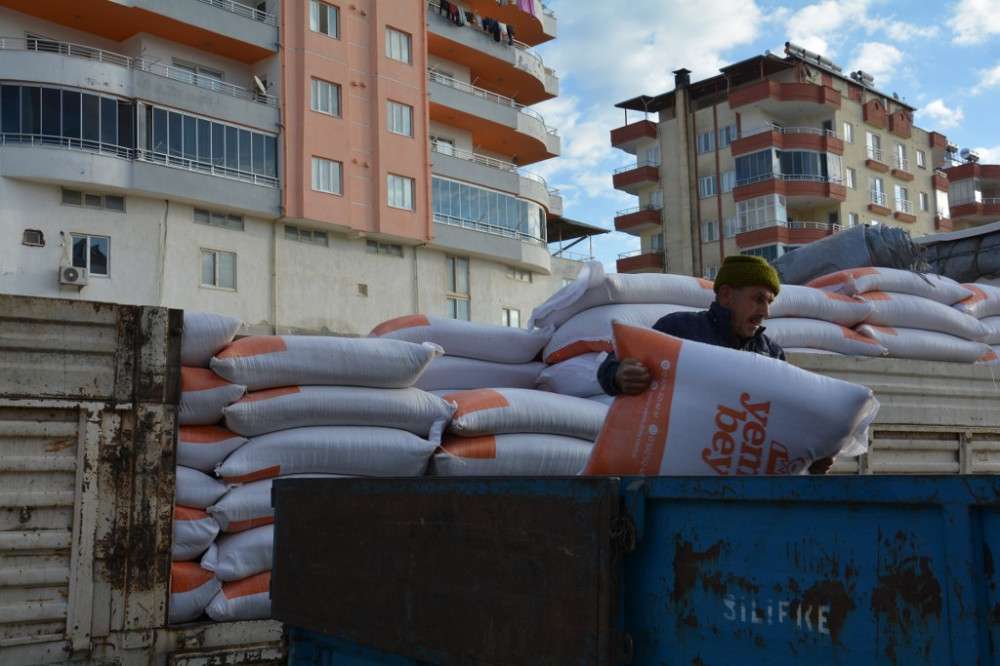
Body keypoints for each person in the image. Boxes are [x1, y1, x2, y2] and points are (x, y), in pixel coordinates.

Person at [596, 254, 834, 475]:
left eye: (769, 302)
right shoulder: (680, 329)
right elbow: (613, 364)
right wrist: (619, 374)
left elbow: (785, 421)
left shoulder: (771, 353)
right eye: (758, 299)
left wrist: (811, 456)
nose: (765, 312)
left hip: (745, 486)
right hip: (678, 479)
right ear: (727, 295)